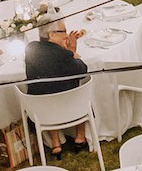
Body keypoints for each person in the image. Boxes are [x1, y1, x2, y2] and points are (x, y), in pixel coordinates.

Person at [23, 18, 94, 155]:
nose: (66, 35)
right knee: (76, 86)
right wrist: (72, 51)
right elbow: (82, 71)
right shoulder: (63, 55)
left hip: (42, 112)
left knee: (45, 89)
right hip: (69, 108)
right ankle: (80, 136)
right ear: (51, 35)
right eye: (63, 32)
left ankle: (55, 142)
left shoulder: (31, 48)